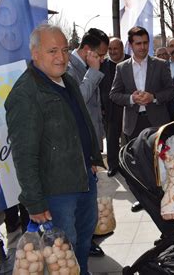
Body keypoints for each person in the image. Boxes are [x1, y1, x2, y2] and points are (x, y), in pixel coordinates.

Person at [5, 24, 104, 275]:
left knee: (82, 240)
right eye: (52, 51)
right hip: (56, 192)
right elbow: (24, 155)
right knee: (60, 253)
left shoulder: (67, 80)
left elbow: (81, 122)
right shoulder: (25, 94)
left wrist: (92, 157)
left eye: (64, 49)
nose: (61, 57)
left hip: (83, 179)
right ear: (35, 53)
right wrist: (35, 203)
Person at [109, 26, 174, 212]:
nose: (143, 47)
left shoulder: (160, 64)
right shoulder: (121, 68)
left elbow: (170, 91)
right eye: (138, 43)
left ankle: (166, 197)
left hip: (157, 122)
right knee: (138, 165)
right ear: (131, 45)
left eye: (146, 43)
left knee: (161, 161)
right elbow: (114, 94)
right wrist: (131, 98)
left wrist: (152, 97)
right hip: (134, 123)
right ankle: (144, 199)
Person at [67, 28, 109, 151]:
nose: (102, 60)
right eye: (100, 55)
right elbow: (77, 101)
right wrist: (93, 72)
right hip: (78, 142)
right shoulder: (68, 68)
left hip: (91, 141)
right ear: (86, 49)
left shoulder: (90, 66)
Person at [100, 37, 130, 177]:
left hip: (130, 109)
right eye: (110, 49)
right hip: (110, 111)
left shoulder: (131, 61)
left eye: (115, 48)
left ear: (122, 49)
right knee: (112, 140)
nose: (112, 52)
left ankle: (129, 167)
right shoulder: (102, 65)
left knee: (129, 140)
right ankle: (113, 165)